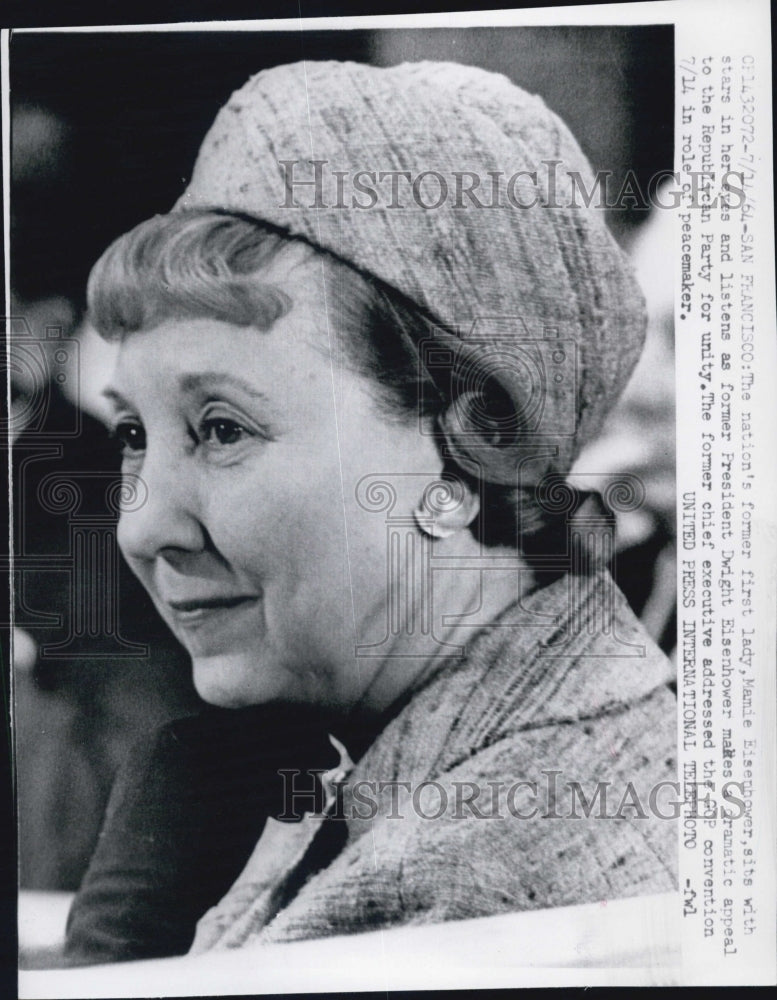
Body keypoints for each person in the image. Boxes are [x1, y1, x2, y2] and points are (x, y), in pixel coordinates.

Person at [63, 60, 676, 964]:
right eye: (130, 435)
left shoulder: (454, 888)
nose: (144, 527)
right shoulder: (410, 759)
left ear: (469, 450)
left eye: (221, 428)